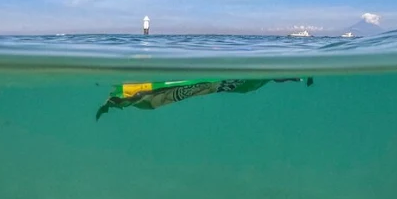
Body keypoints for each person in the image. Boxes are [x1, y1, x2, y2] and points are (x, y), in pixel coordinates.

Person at [95, 77, 313, 121]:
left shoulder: (256, 81)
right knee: (149, 101)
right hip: (218, 84)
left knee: (149, 102)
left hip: (218, 85)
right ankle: (122, 100)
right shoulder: (255, 82)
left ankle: (122, 100)